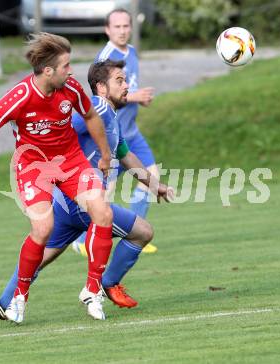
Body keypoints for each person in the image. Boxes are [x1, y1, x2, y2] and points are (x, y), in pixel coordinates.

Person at [0, 33, 114, 323]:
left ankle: (92, 290)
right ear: (48, 71)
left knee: (103, 212)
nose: (72, 71)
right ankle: (18, 299)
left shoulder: (71, 88)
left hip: (71, 162)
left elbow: (90, 117)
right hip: (33, 167)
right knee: (43, 228)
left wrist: (103, 155)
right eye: (65, 66)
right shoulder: (20, 97)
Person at [0, 59, 172, 321]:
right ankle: (105, 284)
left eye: (125, 80)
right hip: (81, 199)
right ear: (100, 87)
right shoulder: (96, 108)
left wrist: (156, 186)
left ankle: (5, 301)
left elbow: (125, 156)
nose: (126, 86)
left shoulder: (111, 118)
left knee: (42, 254)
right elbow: (61, 127)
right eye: (119, 81)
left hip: (68, 202)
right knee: (142, 232)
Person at [73, 8, 159, 255]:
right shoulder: (106, 56)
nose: (122, 31)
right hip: (112, 136)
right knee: (104, 193)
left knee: (151, 177)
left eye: (126, 26)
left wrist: (136, 98)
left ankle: (136, 232)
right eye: (117, 27)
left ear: (131, 28)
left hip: (132, 131)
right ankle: (80, 239)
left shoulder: (131, 52)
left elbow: (123, 87)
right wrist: (134, 96)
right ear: (107, 30)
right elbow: (101, 95)